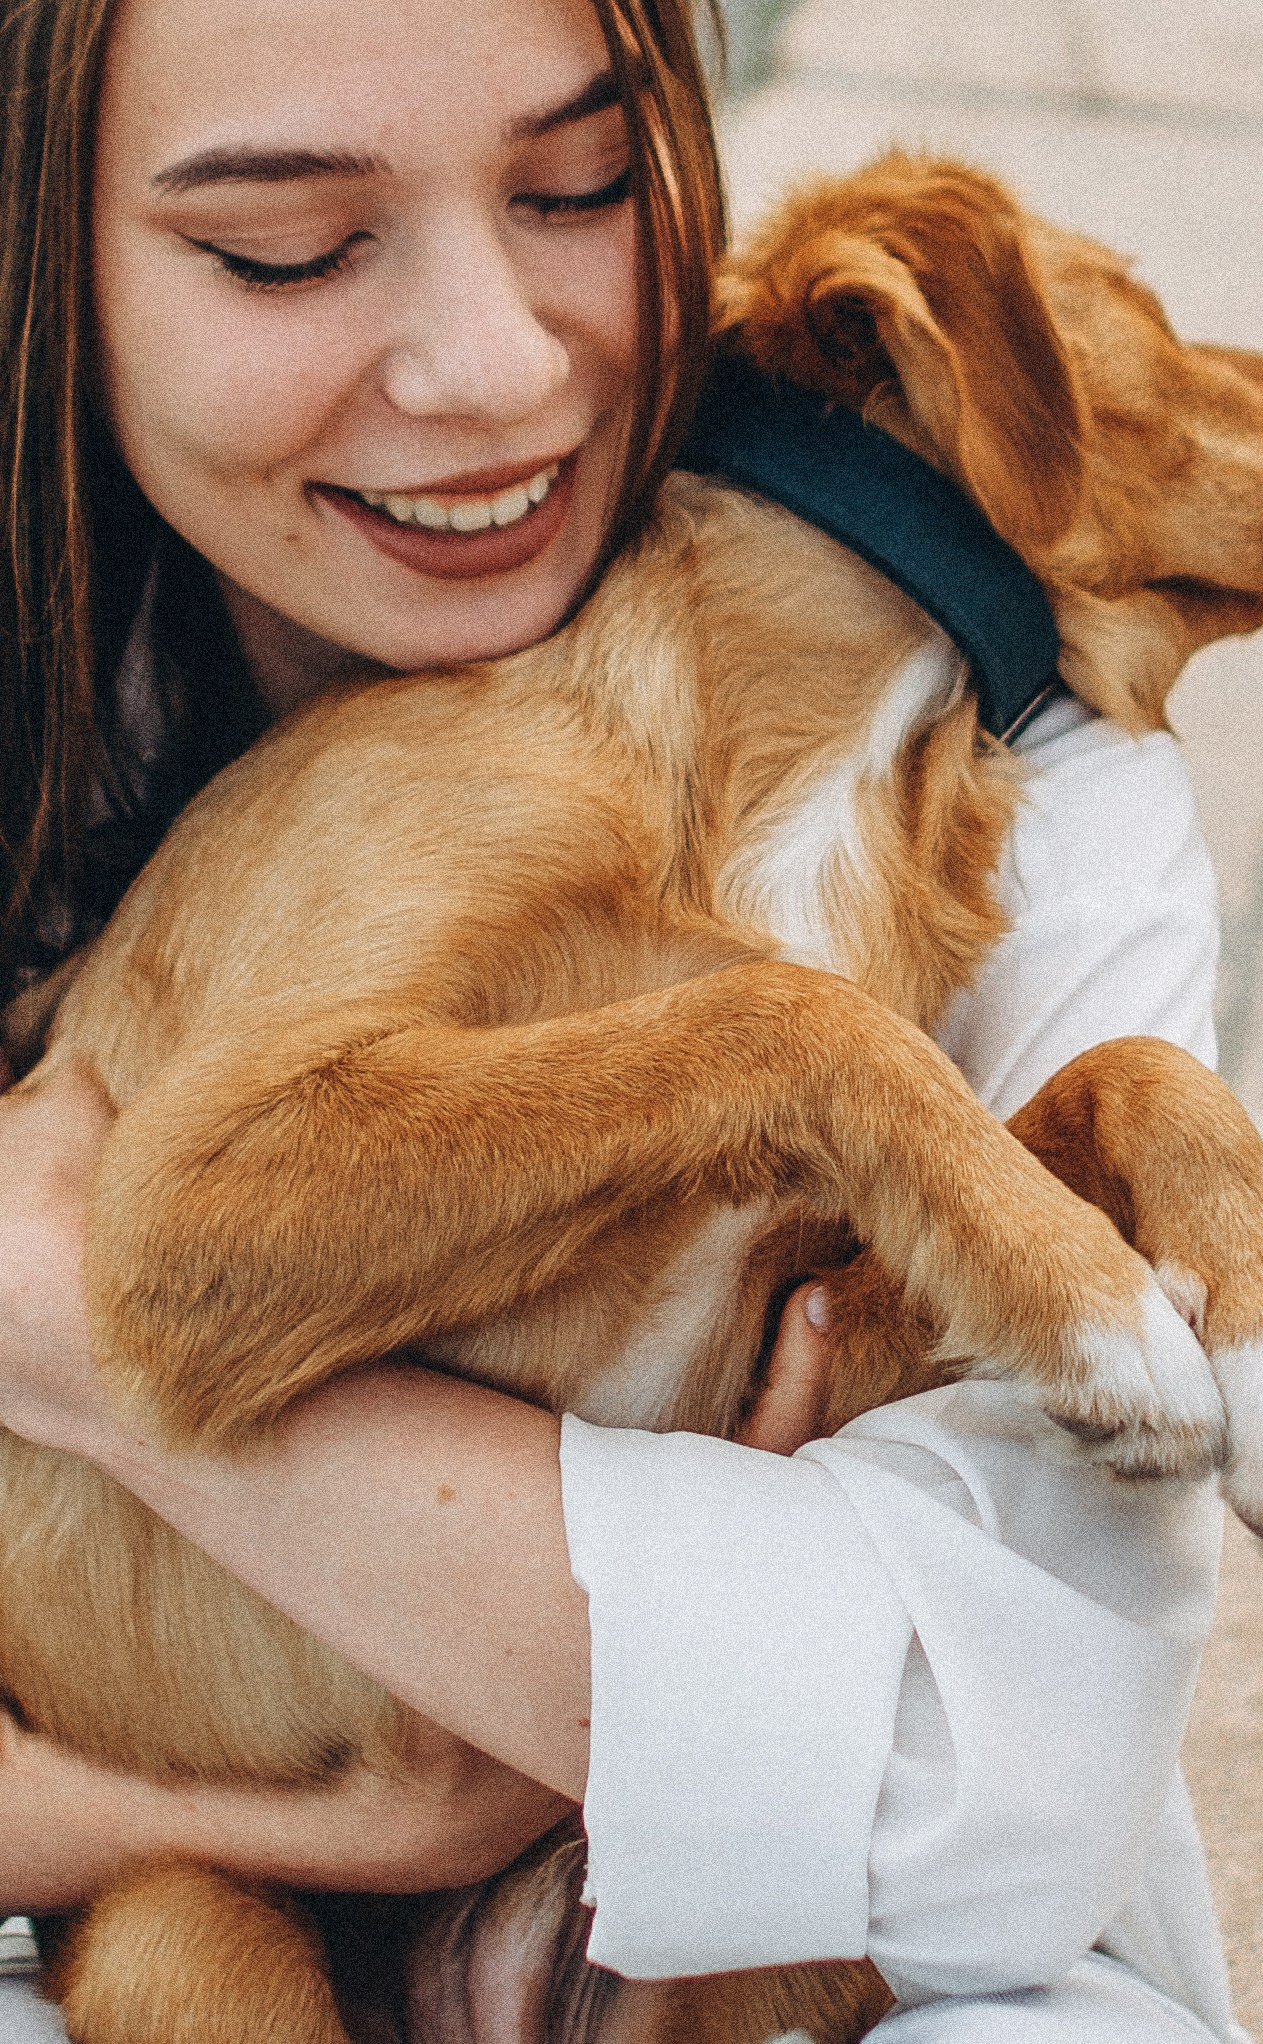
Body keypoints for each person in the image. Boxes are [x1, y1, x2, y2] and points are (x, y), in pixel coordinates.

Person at [0, 0, 1246, 2039]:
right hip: (168, 1897)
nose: (492, 368)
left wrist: (52, 1309)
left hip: (774, 1957)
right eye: (287, 247)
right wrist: (354, 1818)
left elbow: (994, 1799)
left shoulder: (1006, 753)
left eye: (576, 188)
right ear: (43, 263)